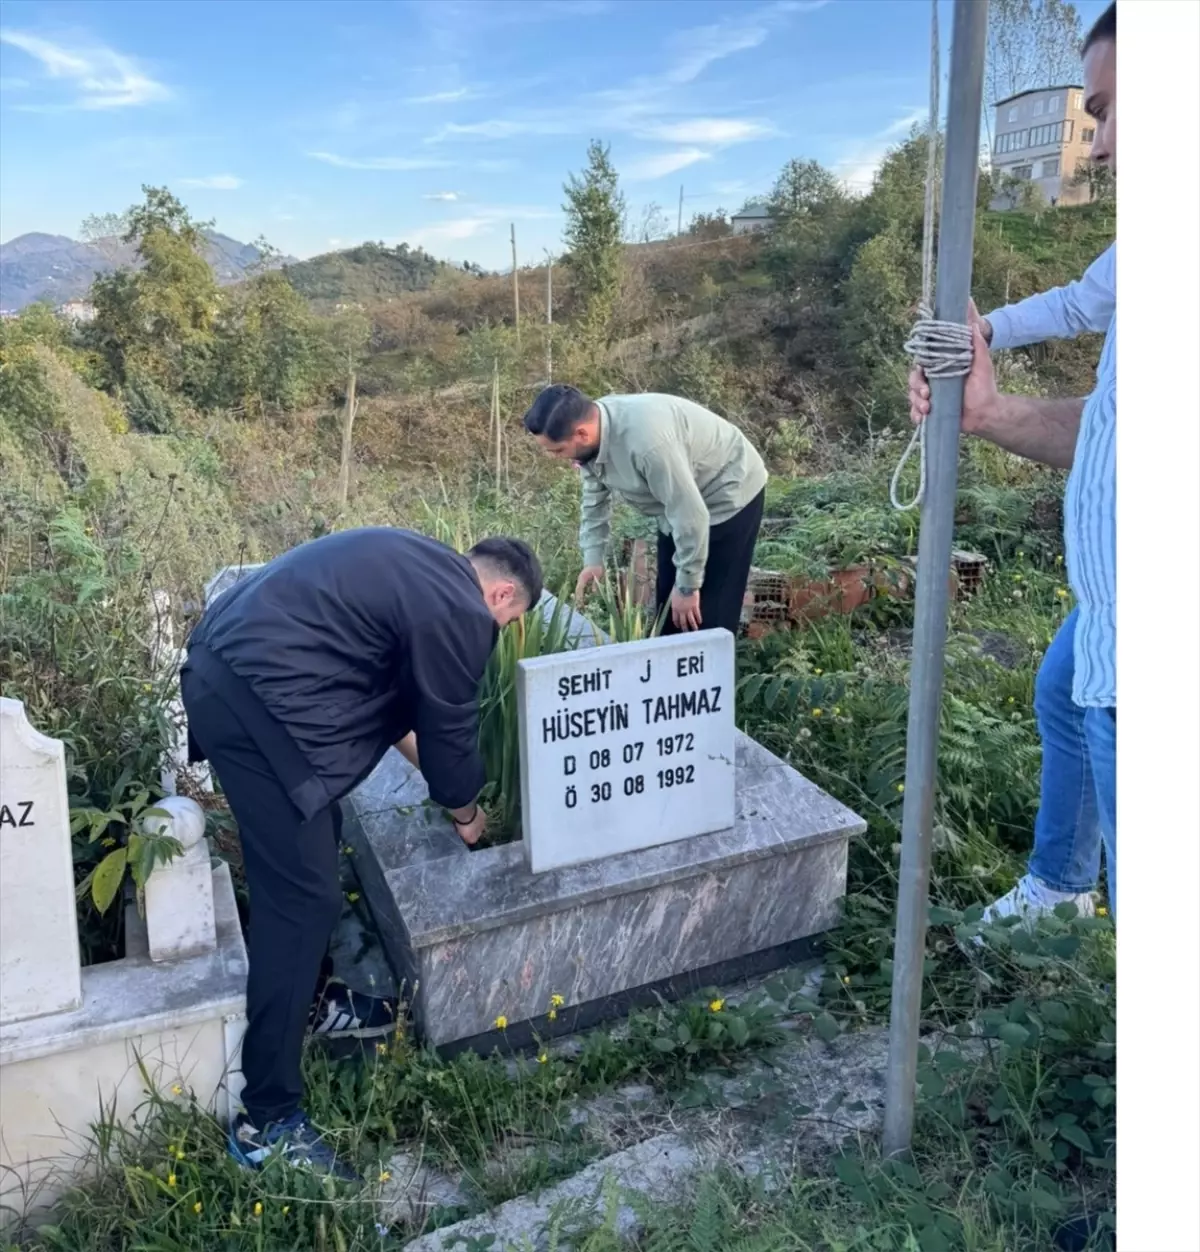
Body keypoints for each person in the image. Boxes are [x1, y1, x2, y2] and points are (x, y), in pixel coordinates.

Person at [180, 528, 542, 1178]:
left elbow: (408, 718)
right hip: (259, 708)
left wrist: (444, 789)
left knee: (319, 848)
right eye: (507, 621)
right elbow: (449, 737)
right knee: (304, 898)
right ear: (502, 591)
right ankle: (266, 1117)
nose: (497, 632)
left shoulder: (419, 568)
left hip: (230, 673)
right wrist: (466, 811)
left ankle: (314, 1004)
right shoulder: (461, 610)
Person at [909, 1, 1117, 922]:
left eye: (1107, 111)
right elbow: (1079, 319)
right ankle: (1064, 888)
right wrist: (985, 364)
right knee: (1061, 692)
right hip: (1108, 613)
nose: (1098, 146)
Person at [522, 385, 767, 636]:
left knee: (708, 618)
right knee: (669, 614)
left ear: (582, 434)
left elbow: (691, 516)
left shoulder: (649, 446)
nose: (555, 457)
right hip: (677, 506)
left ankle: (715, 668)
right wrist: (593, 560)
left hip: (727, 492)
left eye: (558, 450)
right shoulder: (592, 432)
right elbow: (594, 500)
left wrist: (687, 587)